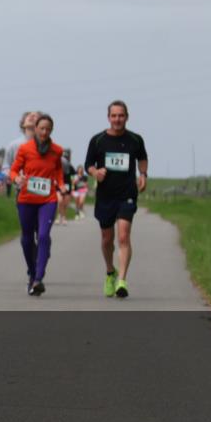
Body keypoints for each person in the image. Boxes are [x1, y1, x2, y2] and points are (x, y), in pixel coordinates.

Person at [84, 100, 148, 299]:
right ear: (108, 117)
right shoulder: (98, 140)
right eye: (114, 116)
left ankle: (122, 280)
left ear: (127, 117)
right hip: (105, 196)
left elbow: (142, 158)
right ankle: (110, 271)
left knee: (123, 236)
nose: (117, 119)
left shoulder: (135, 140)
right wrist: (96, 172)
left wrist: (143, 174)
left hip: (127, 194)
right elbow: (88, 164)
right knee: (107, 239)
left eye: (121, 115)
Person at [10, 114, 64, 296]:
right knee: (26, 239)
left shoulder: (57, 150)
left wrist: (61, 184)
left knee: (42, 235)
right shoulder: (25, 149)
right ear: (35, 130)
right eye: (42, 128)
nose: (44, 132)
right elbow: (13, 170)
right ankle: (32, 274)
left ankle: (39, 278)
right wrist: (16, 178)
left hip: (48, 200)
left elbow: (58, 170)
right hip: (26, 199)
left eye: (48, 129)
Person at [3, 112, 39, 198]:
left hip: (44, 193)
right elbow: (5, 167)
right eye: (29, 115)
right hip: (22, 191)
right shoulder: (13, 145)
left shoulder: (48, 146)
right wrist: (16, 178)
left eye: (36, 116)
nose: (32, 116)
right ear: (23, 124)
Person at [57, 149, 74, 225]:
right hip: (59, 186)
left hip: (67, 186)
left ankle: (64, 217)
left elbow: (74, 177)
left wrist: (73, 187)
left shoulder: (70, 167)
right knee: (60, 201)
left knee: (65, 203)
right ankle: (59, 216)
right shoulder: (57, 166)